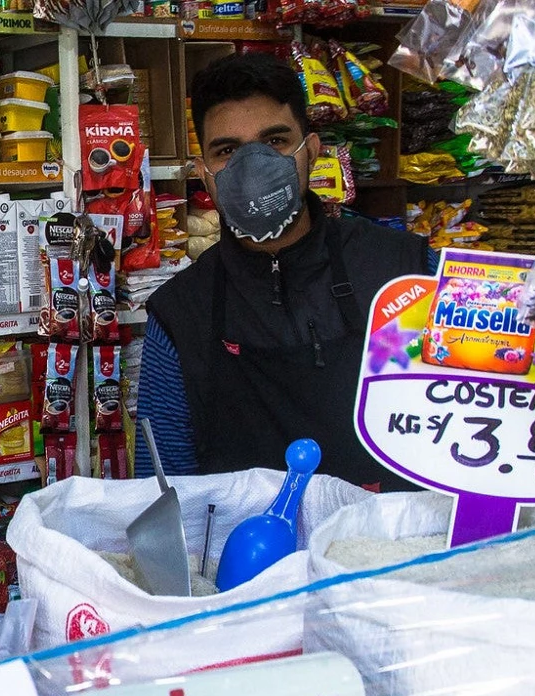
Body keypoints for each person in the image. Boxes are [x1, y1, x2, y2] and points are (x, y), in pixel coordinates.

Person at [138, 53, 428, 489]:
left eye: (274, 141)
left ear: (311, 152)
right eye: (228, 150)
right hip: (244, 555)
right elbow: (161, 491)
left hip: (387, 548)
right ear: (205, 175)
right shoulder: (181, 315)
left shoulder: (405, 272)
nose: (252, 165)